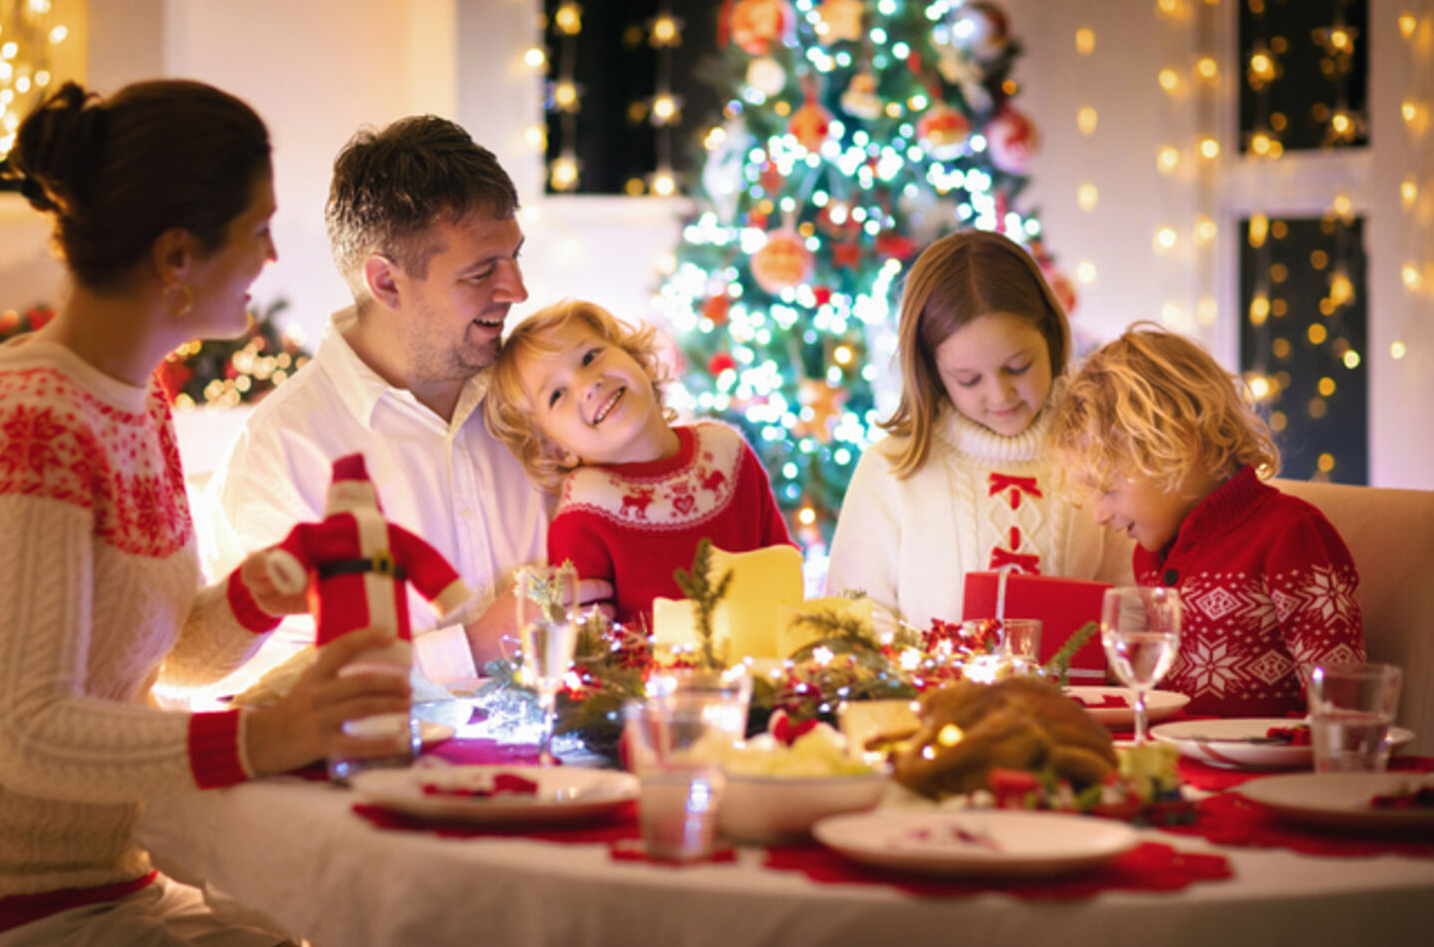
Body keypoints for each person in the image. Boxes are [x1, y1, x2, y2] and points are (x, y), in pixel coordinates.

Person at [0, 80, 409, 947]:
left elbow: (162, 660)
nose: (271, 255)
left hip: (111, 877)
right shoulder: (30, 418)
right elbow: (30, 732)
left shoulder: (135, 401)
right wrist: (266, 736)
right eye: (256, 229)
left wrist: (268, 585)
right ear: (177, 255)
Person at [198, 116, 547, 683]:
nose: (517, 291)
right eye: (482, 272)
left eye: (514, 257)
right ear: (386, 282)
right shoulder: (278, 458)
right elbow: (266, 691)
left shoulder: (544, 398)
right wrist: (472, 648)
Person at [1048, 322, 1365, 716]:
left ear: (1177, 447)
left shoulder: (1291, 535)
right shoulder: (1150, 555)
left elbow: (1339, 702)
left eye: (1108, 489)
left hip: (1268, 756)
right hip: (1176, 752)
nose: (1098, 515)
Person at [825, 229, 1133, 629]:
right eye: (969, 379)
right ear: (932, 371)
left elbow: (1133, 601)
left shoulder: (1102, 454)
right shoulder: (893, 467)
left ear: (1051, 336)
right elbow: (853, 616)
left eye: (1018, 367)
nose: (1000, 395)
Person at [484, 299, 793, 628]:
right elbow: (588, 642)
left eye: (590, 357)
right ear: (557, 451)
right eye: (557, 394)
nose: (588, 384)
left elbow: (782, 565)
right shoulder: (584, 516)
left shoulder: (726, 451)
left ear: (637, 360)